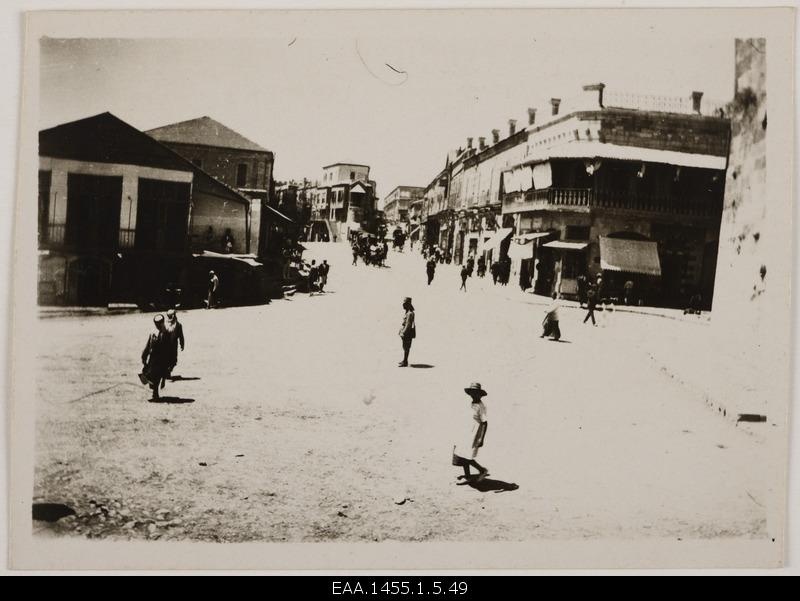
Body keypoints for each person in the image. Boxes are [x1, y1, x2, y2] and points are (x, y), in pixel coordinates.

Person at [452, 382, 490, 483]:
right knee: (462, 453)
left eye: (476, 393)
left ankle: (482, 470)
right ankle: (467, 476)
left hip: (474, 433)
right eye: (472, 393)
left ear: (480, 394)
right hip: (466, 431)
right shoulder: (472, 403)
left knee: (468, 455)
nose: (473, 395)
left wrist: (481, 438)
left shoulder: (481, 406)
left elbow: (485, 423)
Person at [140, 315, 172, 400]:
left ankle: (155, 392)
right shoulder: (153, 333)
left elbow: (170, 348)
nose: (157, 325)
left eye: (158, 324)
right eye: (156, 324)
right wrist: (144, 355)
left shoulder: (167, 333)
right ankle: (154, 390)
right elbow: (148, 345)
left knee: (158, 376)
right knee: (150, 375)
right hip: (153, 358)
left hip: (162, 359)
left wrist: (169, 362)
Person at [164, 309, 185, 379]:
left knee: (173, 360)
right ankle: (166, 372)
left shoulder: (178, 325)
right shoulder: (165, 325)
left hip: (173, 345)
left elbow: (181, 336)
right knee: (167, 359)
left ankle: (167, 371)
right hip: (166, 345)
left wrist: (182, 344)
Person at [398, 297, 416, 367]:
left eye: (405, 304)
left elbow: (408, 324)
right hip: (406, 332)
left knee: (406, 347)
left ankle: (405, 362)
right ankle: (404, 360)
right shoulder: (408, 313)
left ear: (408, 304)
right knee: (405, 347)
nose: (403, 305)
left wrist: (403, 332)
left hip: (407, 333)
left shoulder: (410, 314)